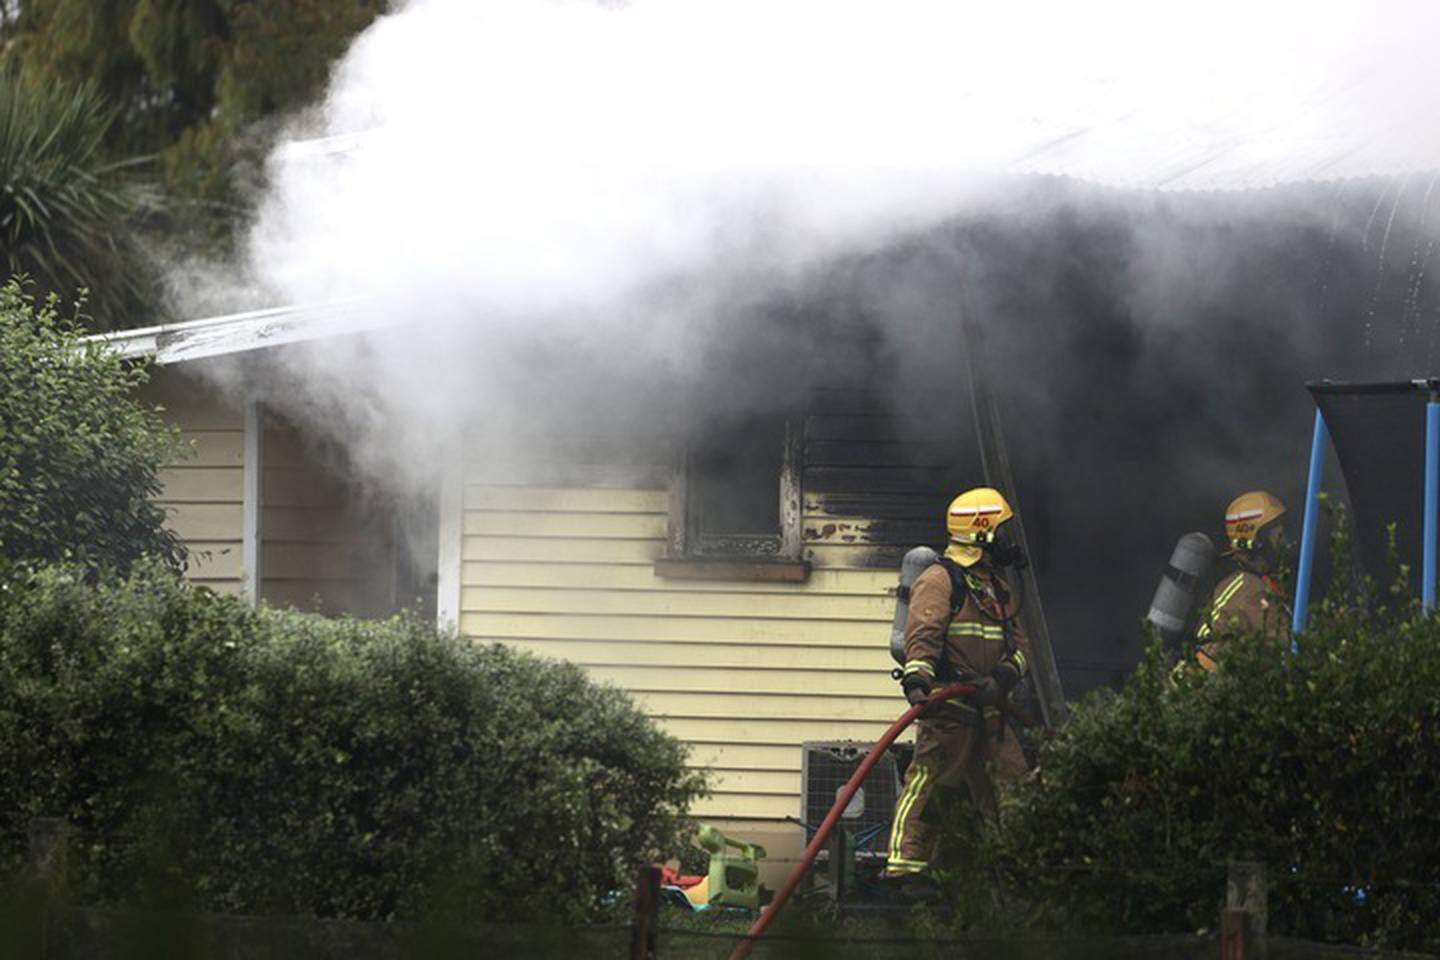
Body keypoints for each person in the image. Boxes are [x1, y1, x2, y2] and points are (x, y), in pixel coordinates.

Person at [884, 487, 1032, 885]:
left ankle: (1015, 869)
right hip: (950, 709)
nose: (1006, 541)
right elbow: (924, 635)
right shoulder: (940, 578)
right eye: (1000, 531)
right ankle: (904, 872)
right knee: (930, 784)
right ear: (981, 534)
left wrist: (1004, 675)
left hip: (992, 711)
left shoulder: (998, 587)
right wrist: (918, 681)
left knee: (1013, 786)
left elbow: (1021, 648)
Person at [1192, 490, 1291, 671]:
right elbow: (1286, 642)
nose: (1285, 543)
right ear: (1255, 540)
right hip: (1206, 688)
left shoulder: (1248, 578)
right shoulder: (1247, 587)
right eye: (1278, 536)